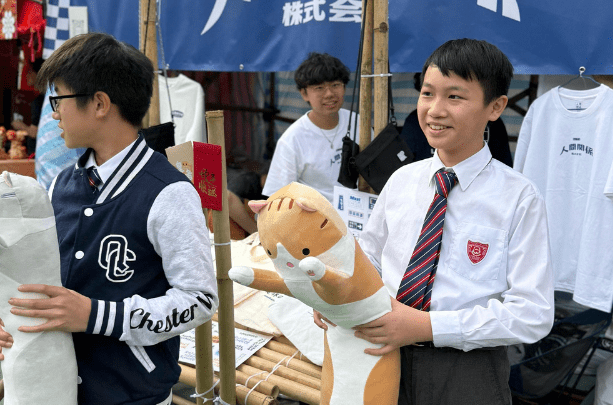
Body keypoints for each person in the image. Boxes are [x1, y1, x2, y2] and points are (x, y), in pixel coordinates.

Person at [317, 39, 555, 404]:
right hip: (380, 353)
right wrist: (335, 293)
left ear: (496, 107)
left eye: (455, 97)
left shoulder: (519, 198)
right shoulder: (402, 180)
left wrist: (427, 326)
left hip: (466, 369)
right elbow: (368, 255)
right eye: (428, 93)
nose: (434, 110)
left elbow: (533, 314)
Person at [0, 32, 219, 405]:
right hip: (58, 389)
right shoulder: (62, 185)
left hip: (133, 395)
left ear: (99, 103)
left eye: (59, 99)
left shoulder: (169, 193)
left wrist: (95, 315)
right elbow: (43, 278)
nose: (53, 113)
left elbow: (199, 299)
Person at [262, 52, 358, 203]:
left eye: (335, 85)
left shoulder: (358, 123)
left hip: (358, 214)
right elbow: (277, 198)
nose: (329, 94)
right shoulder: (292, 140)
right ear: (304, 94)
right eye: (319, 88)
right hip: (315, 219)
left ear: (344, 87)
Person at [10, 57, 45, 155]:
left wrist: (20, 125)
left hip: (37, 153)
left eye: (30, 71)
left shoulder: (39, 101)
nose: (26, 75)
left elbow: (34, 133)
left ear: (39, 75)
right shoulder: (40, 98)